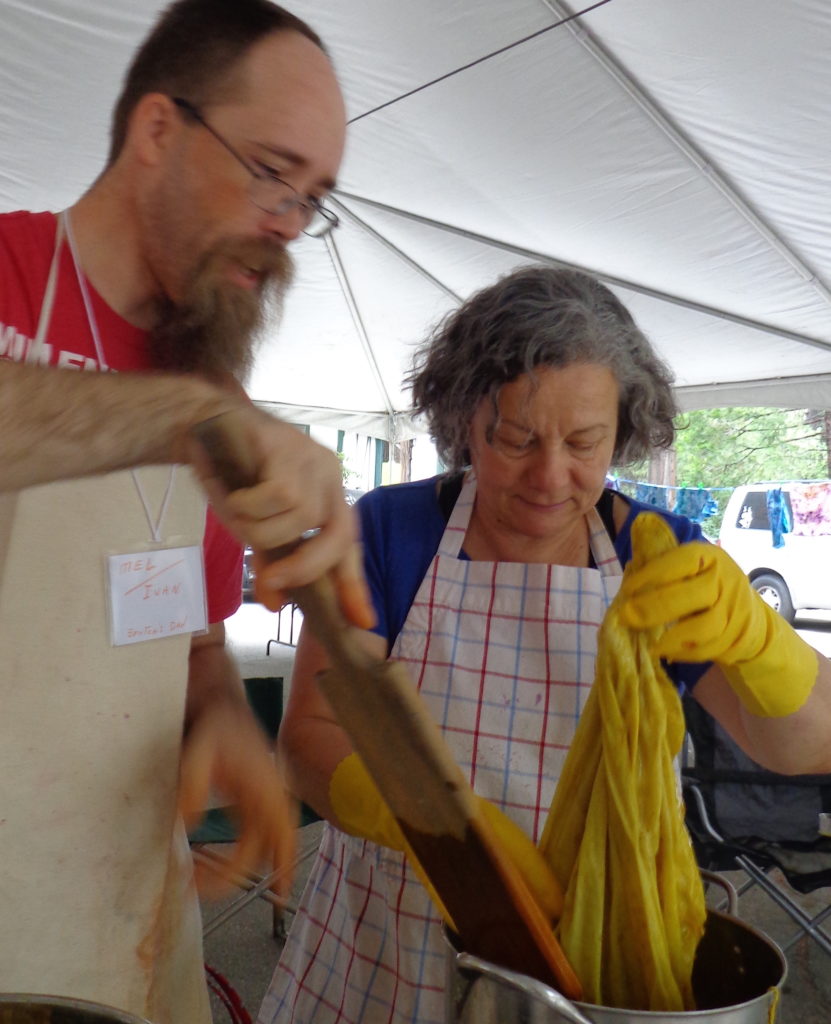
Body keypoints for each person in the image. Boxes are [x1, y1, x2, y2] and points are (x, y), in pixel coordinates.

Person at [260, 264, 831, 1024]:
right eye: (516, 439)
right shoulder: (391, 534)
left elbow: (798, 746)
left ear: (622, 431)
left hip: (593, 951)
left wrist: (764, 645)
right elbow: (308, 739)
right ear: (466, 420)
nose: (549, 476)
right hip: (389, 930)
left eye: (584, 442)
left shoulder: (655, 558)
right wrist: (429, 822)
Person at [0, 1, 373, 1021]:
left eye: (314, 198)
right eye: (271, 173)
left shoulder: (213, 394)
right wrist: (191, 416)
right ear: (157, 130)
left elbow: (191, 636)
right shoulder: (12, 276)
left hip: (116, 928)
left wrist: (220, 716)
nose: (289, 227)